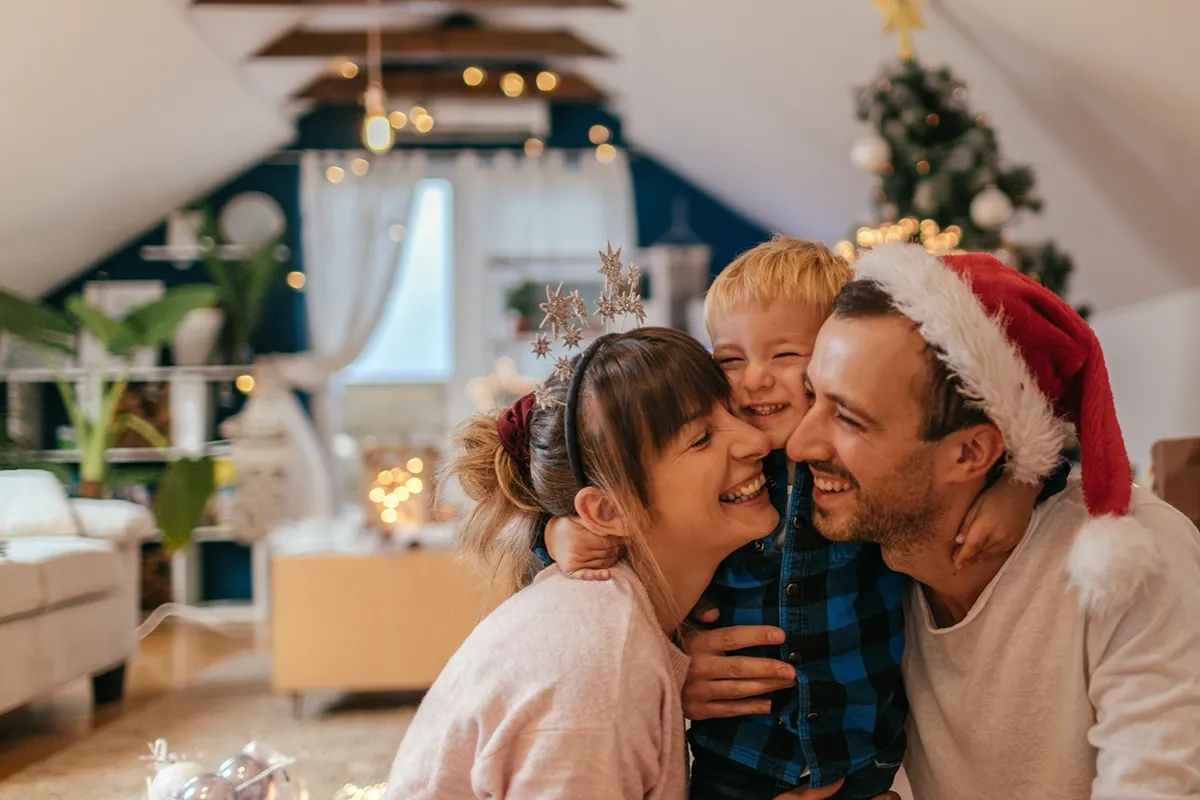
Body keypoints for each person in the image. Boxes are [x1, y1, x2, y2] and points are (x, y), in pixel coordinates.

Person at [543, 237, 1059, 799]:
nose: (753, 380)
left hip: (862, 764)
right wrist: (557, 533)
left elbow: (1032, 448)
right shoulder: (721, 478)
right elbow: (629, 530)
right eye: (730, 360)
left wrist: (1017, 485)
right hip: (733, 761)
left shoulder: (869, 470)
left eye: (786, 356)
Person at [787, 242, 1200, 798]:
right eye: (811, 396)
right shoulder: (856, 561)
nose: (798, 442)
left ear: (971, 454)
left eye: (849, 418)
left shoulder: (1132, 563)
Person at [383, 326, 784, 799]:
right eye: (701, 438)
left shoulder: (614, 621)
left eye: (735, 413)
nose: (755, 442)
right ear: (607, 511)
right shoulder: (601, 664)